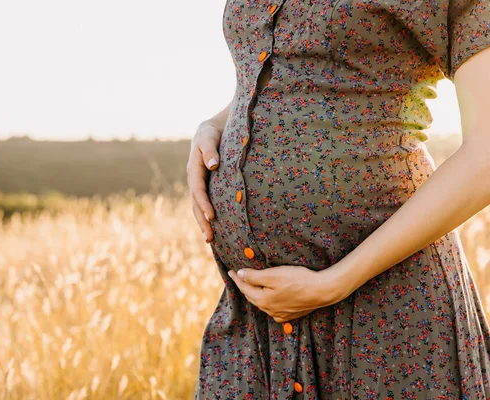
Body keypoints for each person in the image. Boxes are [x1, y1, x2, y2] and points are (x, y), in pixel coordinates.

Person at [186, 0, 490, 398]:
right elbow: (280, 72)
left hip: (388, 319)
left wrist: (335, 282)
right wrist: (214, 125)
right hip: (258, 327)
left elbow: (486, 154)